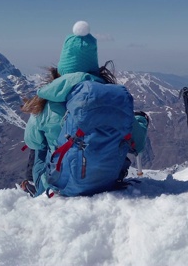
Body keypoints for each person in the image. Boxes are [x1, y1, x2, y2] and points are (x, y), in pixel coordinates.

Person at [20, 21, 148, 197]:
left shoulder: (46, 102)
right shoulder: (112, 100)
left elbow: (32, 141)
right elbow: (138, 143)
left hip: (62, 185)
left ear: (61, 69)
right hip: (107, 181)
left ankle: (38, 186)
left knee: (39, 147)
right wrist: (140, 121)